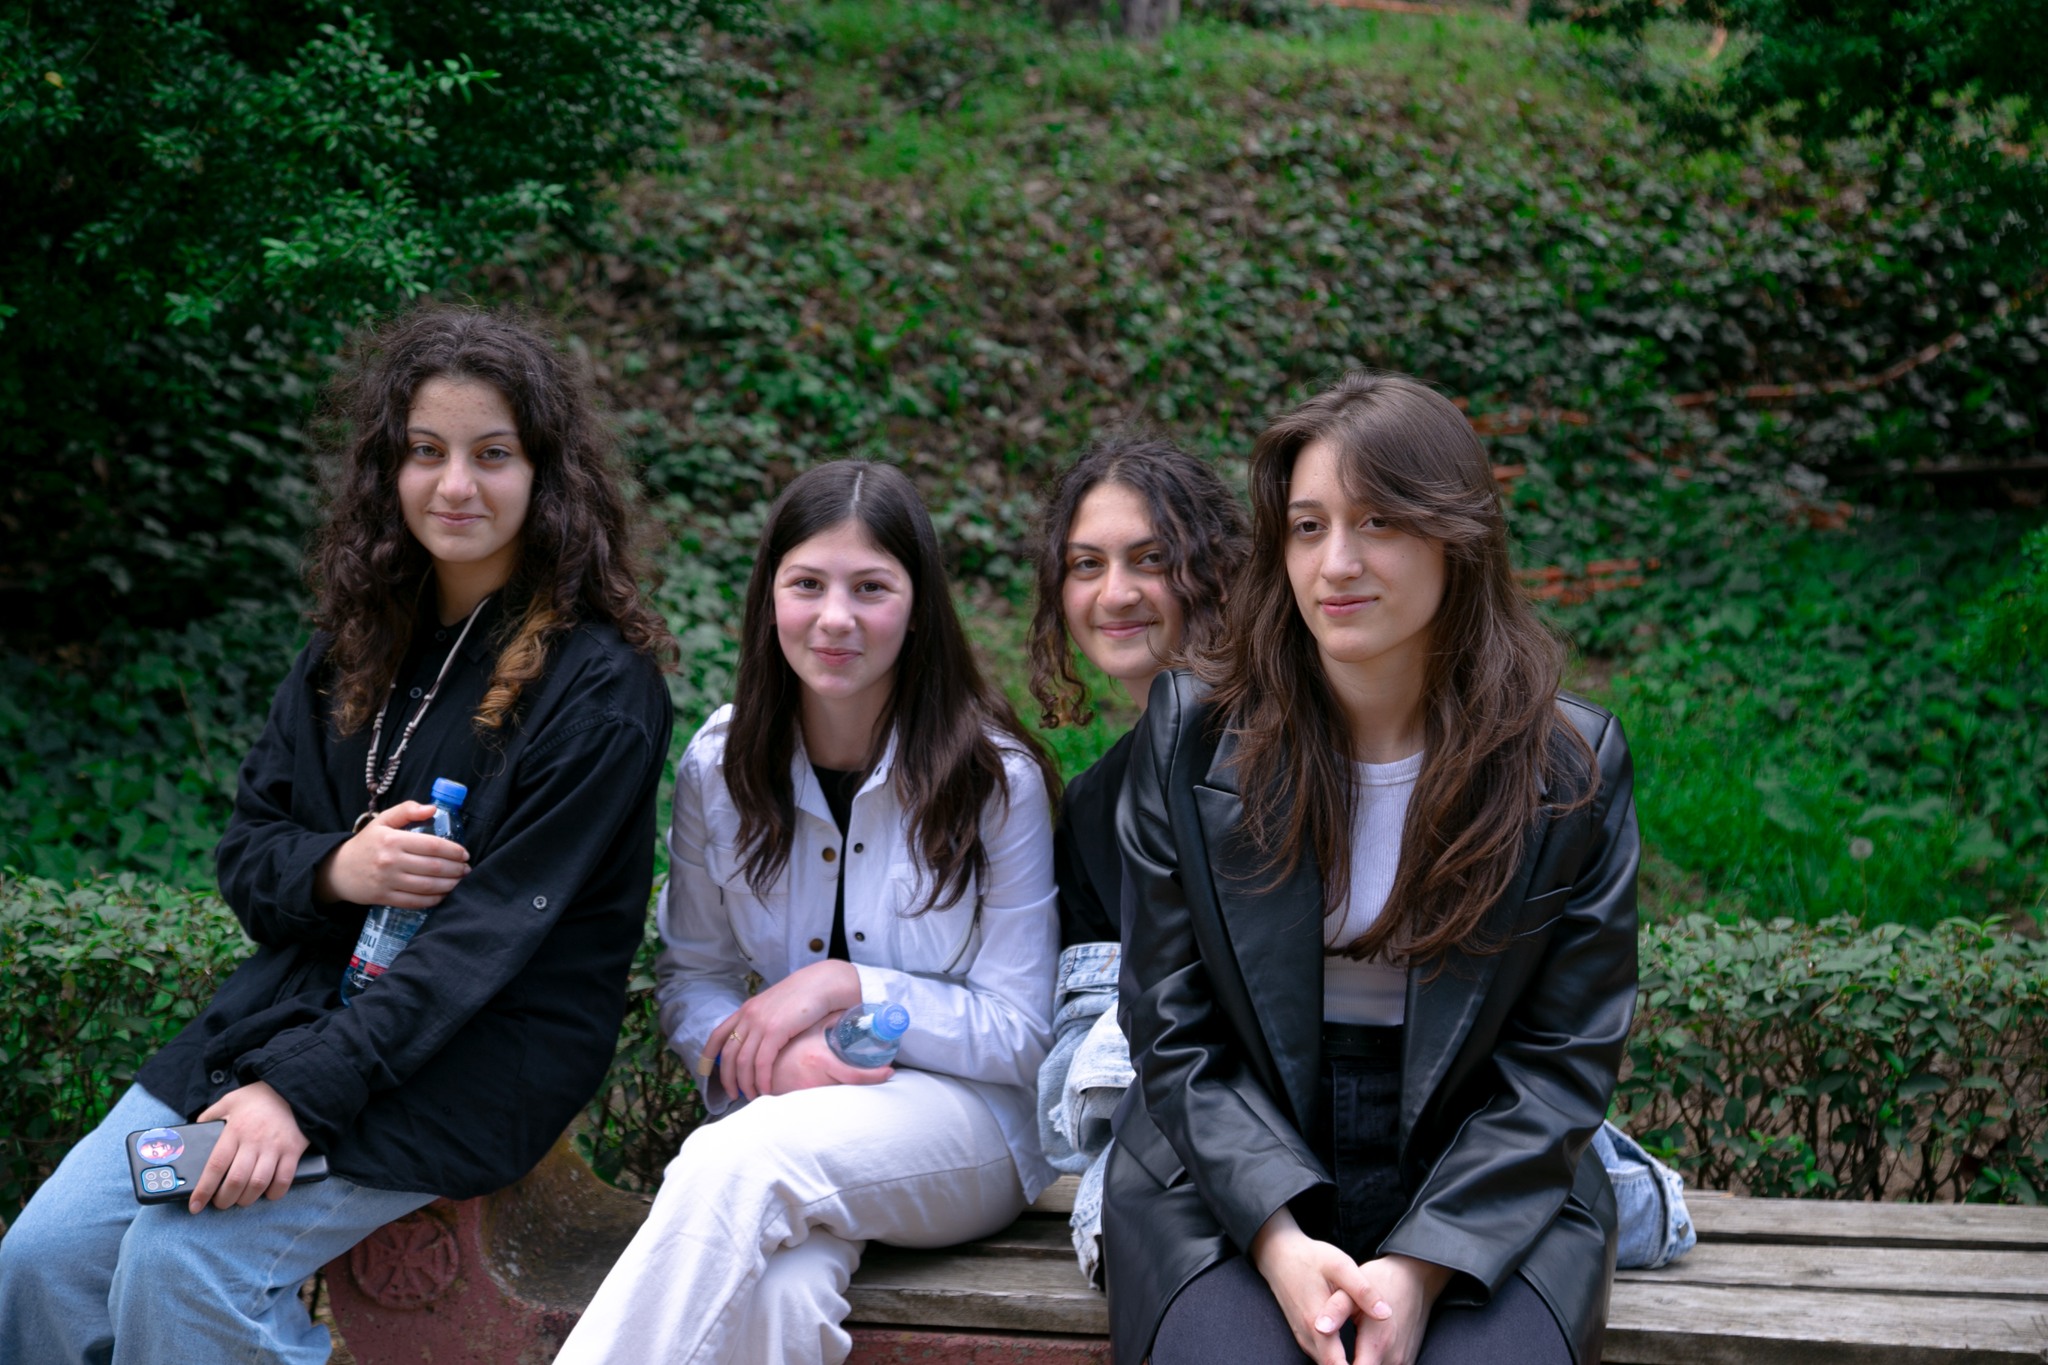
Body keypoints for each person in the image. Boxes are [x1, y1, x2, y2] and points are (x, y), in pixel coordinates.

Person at [0, 306, 677, 1365]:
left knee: (185, 1266)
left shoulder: (599, 690)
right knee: (39, 1261)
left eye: (493, 454)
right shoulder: (352, 643)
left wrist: (298, 1097)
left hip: (473, 1049)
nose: (455, 485)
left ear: (548, 474)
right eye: (426, 451)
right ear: (388, 468)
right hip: (290, 1015)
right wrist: (338, 867)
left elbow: (485, 944)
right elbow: (248, 853)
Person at [1104, 371, 1639, 1365]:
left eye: (1377, 522)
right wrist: (1277, 1242)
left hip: (1482, 1167)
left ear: (1455, 536)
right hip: (1227, 1153)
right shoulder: (1190, 735)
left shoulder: (1568, 768)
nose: (1336, 564)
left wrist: (1423, 1266)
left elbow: (1559, 1061)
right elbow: (1171, 1027)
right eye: (1307, 527)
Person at [557, 459, 1063, 1365]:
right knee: (780, 1296)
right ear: (769, 598)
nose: (835, 618)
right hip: (785, 1116)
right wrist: (768, 1064)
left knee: (737, 1159)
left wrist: (846, 985)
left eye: (871, 587)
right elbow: (695, 975)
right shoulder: (719, 767)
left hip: (968, 1130)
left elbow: (1023, 1033)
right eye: (807, 585)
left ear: (919, 606)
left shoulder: (994, 779)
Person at [1027, 432, 1251, 948]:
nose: (1116, 595)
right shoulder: (1093, 808)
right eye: (1087, 564)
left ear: (1218, 569)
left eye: (1151, 558)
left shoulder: (1289, 737)